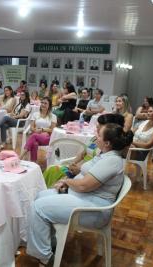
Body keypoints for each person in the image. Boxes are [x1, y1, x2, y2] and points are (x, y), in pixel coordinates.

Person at [27, 123, 133, 266]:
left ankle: (45, 258)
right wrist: (68, 183)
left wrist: (68, 182)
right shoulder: (105, 154)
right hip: (84, 198)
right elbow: (84, 179)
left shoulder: (112, 161)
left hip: (93, 210)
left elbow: (84, 185)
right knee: (40, 196)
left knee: (37, 207)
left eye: (99, 135)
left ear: (107, 143)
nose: (96, 137)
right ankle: (49, 244)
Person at [43, 113, 127, 187]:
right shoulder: (95, 139)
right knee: (51, 169)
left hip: (83, 174)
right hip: (79, 169)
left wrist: (79, 170)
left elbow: (93, 173)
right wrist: (73, 163)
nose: (97, 128)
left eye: (100, 127)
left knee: (54, 171)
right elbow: (82, 154)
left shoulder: (106, 150)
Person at [20, 97, 56, 162]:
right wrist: (35, 130)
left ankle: (20, 157)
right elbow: (31, 127)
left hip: (47, 138)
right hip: (36, 135)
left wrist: (43, 130)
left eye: (45, 103)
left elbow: (52, 130)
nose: (43, 105)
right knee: (34, 143)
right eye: (42, 102)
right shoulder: (35, 114)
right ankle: (33, 162)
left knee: (33, 136)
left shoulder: (53, 116)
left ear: (49, 106)